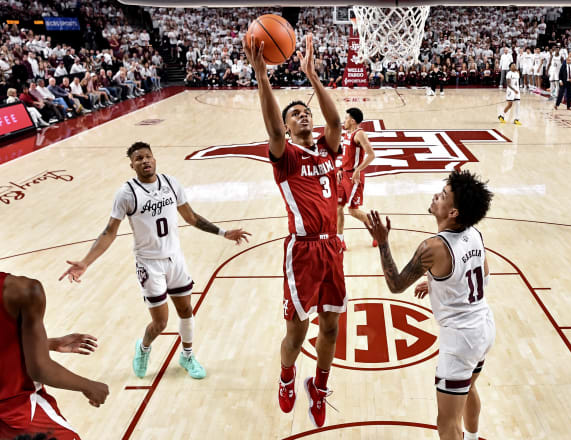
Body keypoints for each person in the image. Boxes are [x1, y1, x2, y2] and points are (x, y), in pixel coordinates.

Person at [60, 142, 250, 380]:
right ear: (132, 165)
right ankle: (144, 348)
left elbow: (191, 217)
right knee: (160, 323)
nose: (145, 161)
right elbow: (109, 231)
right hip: (149, 265)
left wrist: (223, 233)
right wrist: (87, 261)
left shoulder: (171, 183)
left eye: (148, 156)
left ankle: (187, 356)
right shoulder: (127, 193)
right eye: (138, 158)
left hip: (175, 260)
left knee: (186, 311)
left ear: (155, 159)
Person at [243, 34, 345, 428]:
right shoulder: (286, 157)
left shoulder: (327, 148)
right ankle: (287, 376)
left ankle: (318, 387)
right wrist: (261, 76)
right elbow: (270, 130)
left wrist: (312, 77)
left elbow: (335, 121)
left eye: (306, 112)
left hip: (332, 247)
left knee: (332, 328)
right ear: (286, 127)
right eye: (296, 114)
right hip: (302, 251)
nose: (304, 115)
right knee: (298, 333)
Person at [365, 170, 495, 440]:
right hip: (483, 326)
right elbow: (482, 272)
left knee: (447, 422)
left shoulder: (432, 248)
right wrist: (437, 282)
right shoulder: (475, 234)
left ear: (454, 212)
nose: (437, 196)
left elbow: (396, 284)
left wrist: (383, 242)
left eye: (444, 196)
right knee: (469, 387)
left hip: (459, 340)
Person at [0, 272, 109, 438]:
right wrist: (88, 386)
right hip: (17, 409)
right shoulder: (22, 291)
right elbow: (40, 369)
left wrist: (46, 344)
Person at [336, 107, 376, 250]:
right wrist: (340, 168)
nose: (344, 121)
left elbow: (371, 154)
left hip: (354, 177)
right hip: (344, 175)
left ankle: (377, 230)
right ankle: (340, 240)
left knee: (353, 210)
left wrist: (358, 170)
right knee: (338, 207)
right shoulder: (347, 134)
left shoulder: (359, 134)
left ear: (352, 121)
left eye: (346, 118)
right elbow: (347, 156)